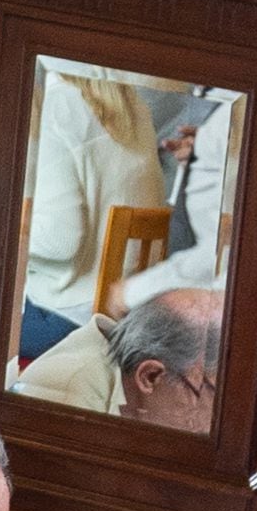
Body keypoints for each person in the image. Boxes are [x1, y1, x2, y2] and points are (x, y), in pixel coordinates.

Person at [17, 67, 175, 358]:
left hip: (71, 321)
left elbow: (60, 240)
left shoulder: (61, 103)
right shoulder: (133, 104)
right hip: (129, 316)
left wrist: (3, 233)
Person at [11, 281, 225, 433]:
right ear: (150, 376)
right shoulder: (68, 405)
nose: (220, 415)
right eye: (213, 391)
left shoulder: (136, 388)